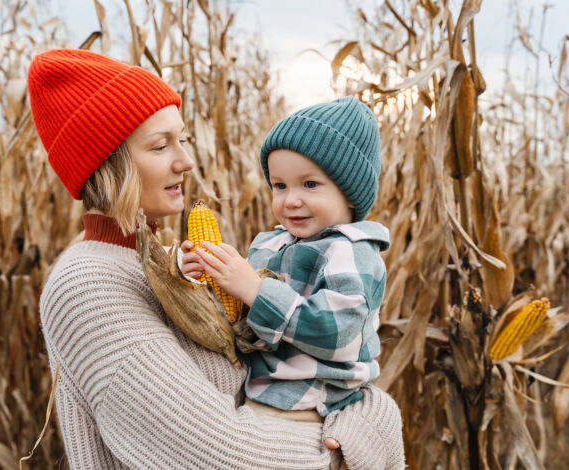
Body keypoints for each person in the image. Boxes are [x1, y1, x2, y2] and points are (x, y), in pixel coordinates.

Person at [29, 49, 404, 469]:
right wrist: (371, 428)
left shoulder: (167, 263)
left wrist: (367, 407)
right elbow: (229, 460)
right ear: (107, 164)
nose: (186, 161)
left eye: (183, 139)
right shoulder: (88, 287)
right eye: (160, 146)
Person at [182, 96, 390, 422]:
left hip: (312, 396)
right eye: (279, 185)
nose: (291, 200)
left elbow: (340, 335)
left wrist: (255, 289)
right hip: (264, 387)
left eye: (309, 184)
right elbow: (240, 313)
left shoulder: (351, 252)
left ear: (349, 193)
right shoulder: (272, 242)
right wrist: (202, 276)